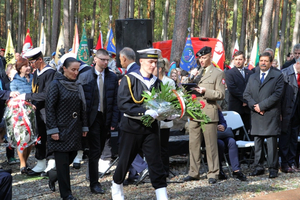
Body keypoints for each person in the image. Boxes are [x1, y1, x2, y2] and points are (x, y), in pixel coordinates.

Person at [112, 48, 168, 199]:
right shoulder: (129, 79)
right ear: (141, 61)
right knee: (124, 161)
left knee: (156, 162)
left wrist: (168, 113)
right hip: (131, 128)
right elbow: (123, 104)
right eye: (150, 62)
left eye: (155, 62)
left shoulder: (157, 82)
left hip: (150, 129)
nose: (153, 66)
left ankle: (162, 194)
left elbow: (161, 103)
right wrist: (144, 112)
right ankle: (116, 189)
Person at [77, 49, 119, 194]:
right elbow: (81, 102)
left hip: (105, 119)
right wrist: (83, 123)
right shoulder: (84, 77)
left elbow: (115, 101)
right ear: (95, 59)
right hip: (92, 119)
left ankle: (92, 174)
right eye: (103, 59)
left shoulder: (112, 77)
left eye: (108, 60)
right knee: (95, 151)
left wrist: (114, 121)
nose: (106, 62)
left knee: (100, 149)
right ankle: (94, 183)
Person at [46, 57, 88, 200]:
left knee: (70, 158)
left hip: (74, 129)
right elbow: (49, 108)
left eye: (78, 70)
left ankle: (54, 174)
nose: (76, 73)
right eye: (73, 70)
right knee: (63, 163)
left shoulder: (77, 84)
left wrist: (84, 125)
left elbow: (83, 107)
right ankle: (66, 195)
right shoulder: (55, 84)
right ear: (64, 68)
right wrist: (53, 130)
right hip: (60, 129)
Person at [183, 46, 225, 184]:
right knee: (193, 144)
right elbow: (188, 89)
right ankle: (194, 172)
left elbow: (221, 94)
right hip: (194, 112)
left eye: (204, 57)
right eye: (200, 58)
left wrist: (206, 91)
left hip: (208, 112)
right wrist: (190, 78)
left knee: (211, 145)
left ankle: (213, 173)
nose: (201, 60)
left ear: (210, 56)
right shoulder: (196, 72)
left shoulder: (217, 73)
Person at [244, 52, 284, 179]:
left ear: (271, 62)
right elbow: (246, 94)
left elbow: (277, 95)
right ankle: (258, 167)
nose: (263, 63)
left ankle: (273, 168)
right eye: (261, 60)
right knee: (258, 142)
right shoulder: (252, 77)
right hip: (256, 114)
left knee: (272, 143)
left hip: (270, 114)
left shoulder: (277, 76)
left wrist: (262, 106)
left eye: (266, 61)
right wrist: (255, 106)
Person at [20, 47, 56, 176]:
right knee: (39, 136)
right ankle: (40, 163)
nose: (30, 66)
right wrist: (33, 103)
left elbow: (47, 94)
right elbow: (36, 91)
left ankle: (51, 164)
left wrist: (28, 96)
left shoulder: (50, 73)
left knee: (50, 137)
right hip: (38, 110)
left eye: (32, 62)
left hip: (49, 111)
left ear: (40, 60)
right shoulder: (37, 73)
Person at [152, 58, 176, 178]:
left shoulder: (169, 82)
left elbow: (172, 99)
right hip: (153, 119)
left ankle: (165, 170)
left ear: (160, 69)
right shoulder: (151, 81)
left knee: (163, 147)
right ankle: (155, 169)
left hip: (165, 120)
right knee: (153, 146)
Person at [10, 58, 33, 174]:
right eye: (25, 66)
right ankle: (22, 164)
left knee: (31, 140)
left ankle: (26, 160)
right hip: (20, 115)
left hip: (33, 114)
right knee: (21, 139)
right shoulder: (15, 82)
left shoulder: (33, 78)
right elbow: (14, 99)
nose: (28, 67)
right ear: (20, 68)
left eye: (29, 65)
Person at [225, 51, 253, 140]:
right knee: (232, 131)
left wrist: (247, 101)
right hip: (236, 107)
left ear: (244, 60)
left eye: (240, 59)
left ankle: (244, 153)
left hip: (247, 108)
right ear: (233, 60)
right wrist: (244, 100)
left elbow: (252, 87)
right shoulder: (229, 73)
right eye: (236, 59)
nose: (238, 61)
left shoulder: (250, 72)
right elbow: (232, 88)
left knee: (245, 131)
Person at [279, 57, 300, 173]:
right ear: (297, 63)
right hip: (286, 111)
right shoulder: (285, 73)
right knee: (285, 138)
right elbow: (279, 95)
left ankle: (292, 162)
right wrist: (280, 112)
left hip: (297, 111)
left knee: (293, 138)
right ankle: (284, 164)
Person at [217, 108, 247, 181]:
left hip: (221, 134)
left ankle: (236, 170)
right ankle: (219, 170)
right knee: (220, 144)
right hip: (211, 136)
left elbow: (223, 122)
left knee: (232, 141)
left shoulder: (216, 109)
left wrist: (223, 126)